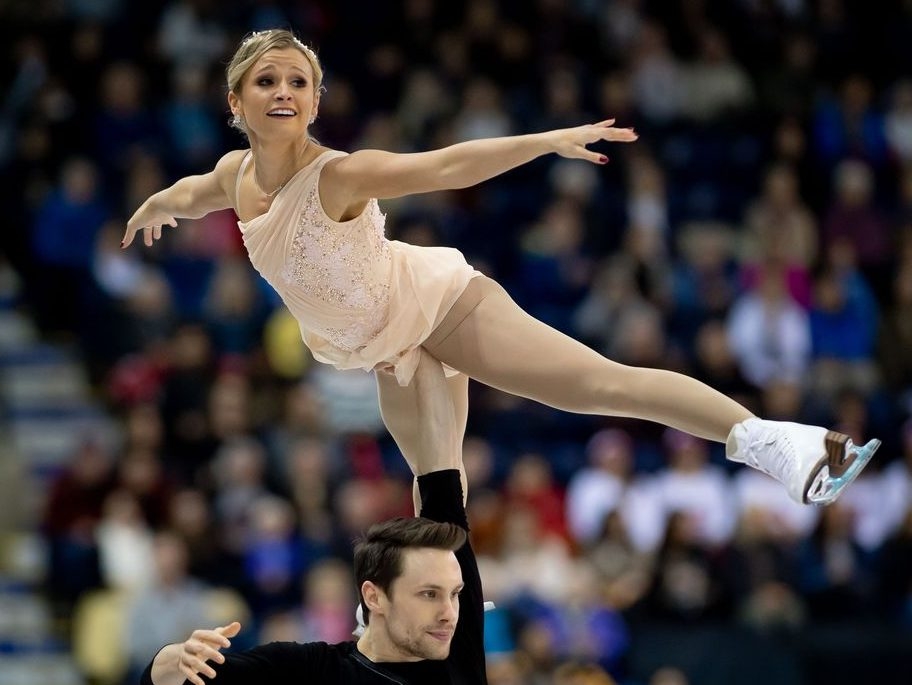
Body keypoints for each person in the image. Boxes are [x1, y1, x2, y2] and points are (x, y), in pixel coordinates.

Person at [122, 29, 879, 506]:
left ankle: (781, 442)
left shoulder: (338, 175)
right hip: (376, 347)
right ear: (235, 100)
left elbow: (449, 164)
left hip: (434, 305)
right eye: (266, 82)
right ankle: (448, 603)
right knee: (435, 496)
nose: (282, 92)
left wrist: (543, 140)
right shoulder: (233, 175)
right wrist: (156, 204)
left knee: (597, 384)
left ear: (317, 100)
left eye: (296, 81)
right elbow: (192, 195)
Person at [139, 349, 487, 685]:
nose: (450, 612)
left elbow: (442, 469)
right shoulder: (310, 670)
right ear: (374, 597)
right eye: (429, 594)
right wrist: (174, 657)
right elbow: (177, 676)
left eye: (455, 594)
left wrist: (418, 329)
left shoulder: (454, 645)